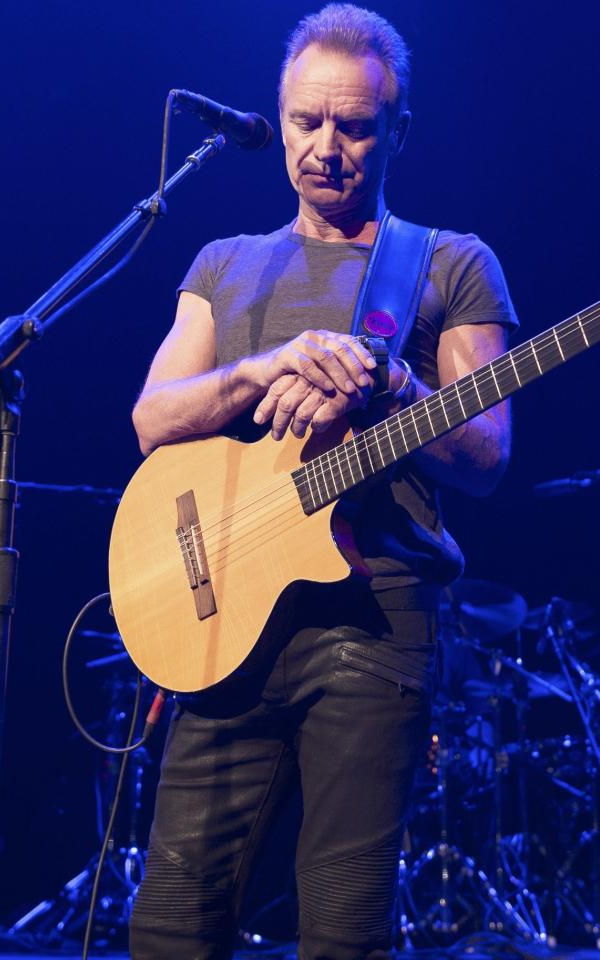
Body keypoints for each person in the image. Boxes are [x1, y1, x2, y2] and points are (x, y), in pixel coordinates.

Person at [125, 5, 516, 957]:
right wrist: (262, 370)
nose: (326, 147)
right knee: (169, 925)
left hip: (372, 624)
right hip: (222, 617)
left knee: (340, 931)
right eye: (306, 122)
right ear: (280, 115)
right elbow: (152, 420)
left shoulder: (449, 263)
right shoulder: (226, 264)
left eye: (354, 125)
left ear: (398, 131)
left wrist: (397, 386)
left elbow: (486, 454)